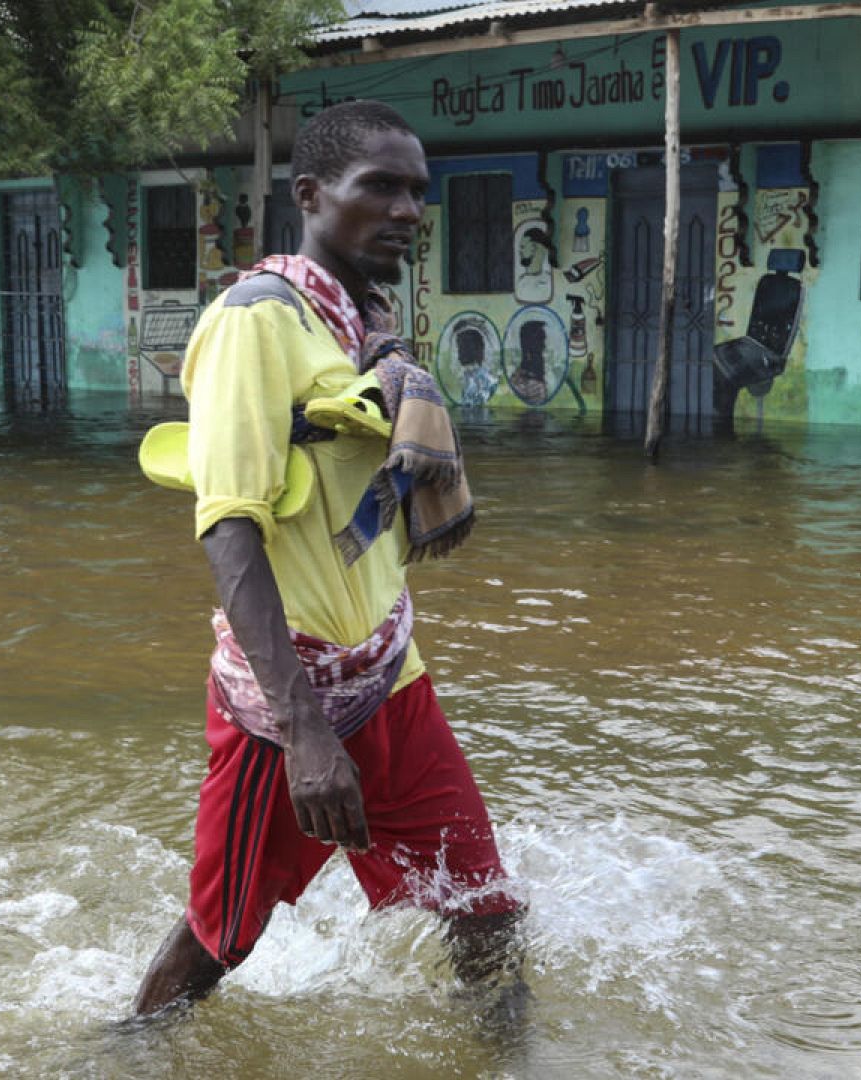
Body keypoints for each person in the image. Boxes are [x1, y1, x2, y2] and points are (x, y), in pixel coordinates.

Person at [131, 100, 525, 1020]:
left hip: (390, 676)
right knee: (221, 932)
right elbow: (229, 526)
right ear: (310, 195)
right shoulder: (253, 323)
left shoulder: (364, 326)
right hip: (290, 705)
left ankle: (519, 1059)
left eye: (417, 192)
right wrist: (307, 735)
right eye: (379, 187)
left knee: (482, 905)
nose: (406, 210)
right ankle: (122, 1052)